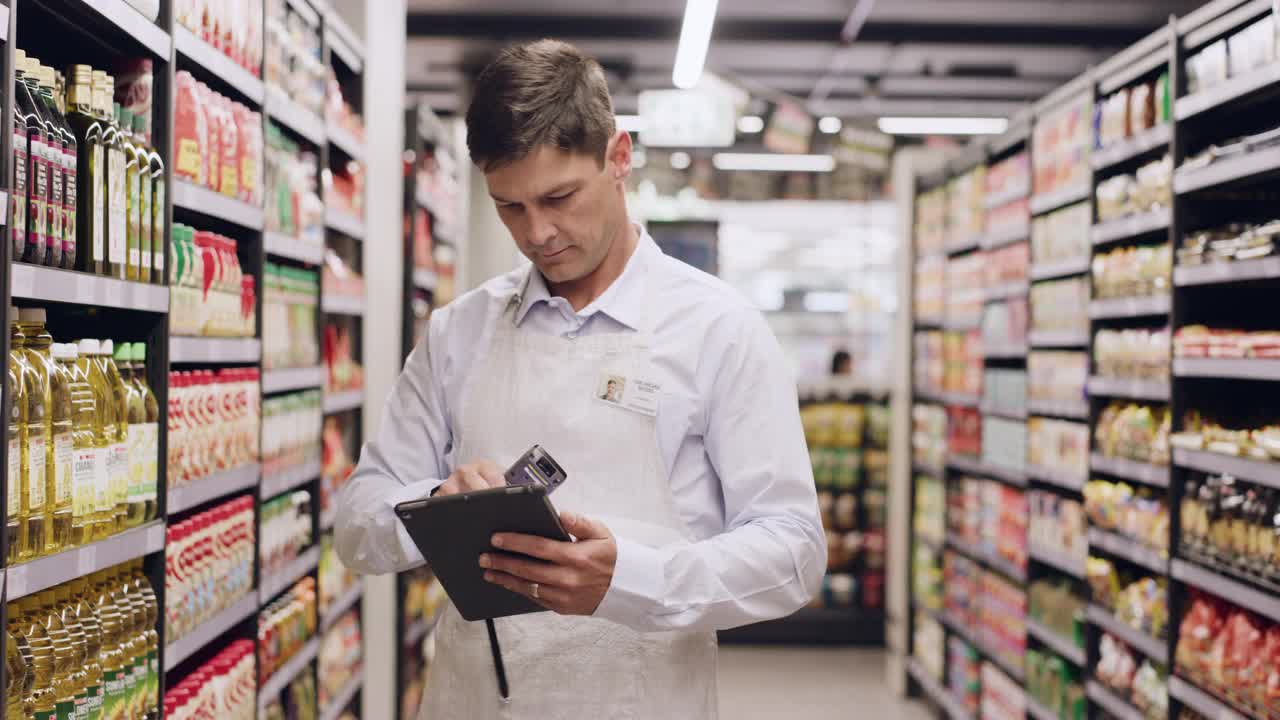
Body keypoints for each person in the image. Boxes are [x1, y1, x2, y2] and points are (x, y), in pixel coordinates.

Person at [334, 39, 825, 719]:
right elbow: (357, 524)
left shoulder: (719, 329)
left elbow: (794, 551)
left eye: (559, 197)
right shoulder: (460, 332)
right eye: (511, 207)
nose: (538, 233)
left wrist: (629, 580)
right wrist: (435, 502)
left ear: (618, 157)